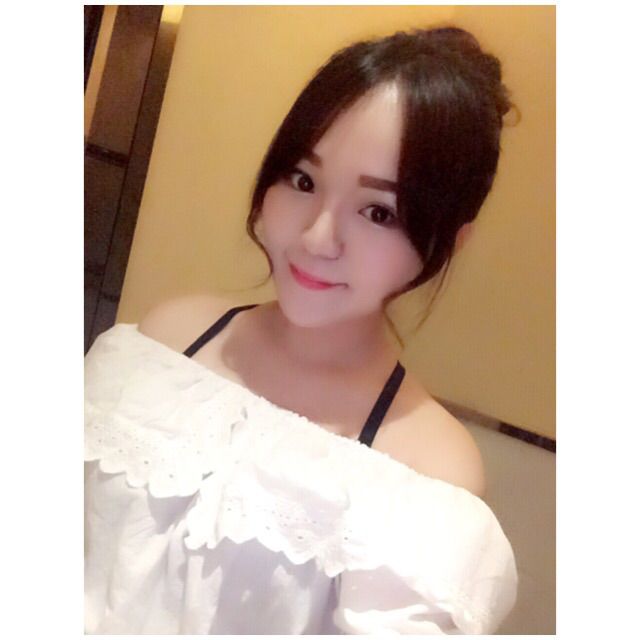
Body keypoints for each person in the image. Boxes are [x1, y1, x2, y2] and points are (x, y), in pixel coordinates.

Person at [85, 26, 518, 634]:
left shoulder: (430, 472)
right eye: (303, 180)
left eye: (378, 212)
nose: (317, 238)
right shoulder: (166, 339)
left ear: (449, 240)